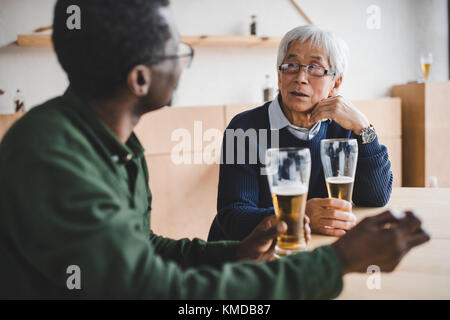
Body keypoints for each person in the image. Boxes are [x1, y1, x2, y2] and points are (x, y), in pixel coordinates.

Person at [0, 0, 428, 299]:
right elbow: (153, 290)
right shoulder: (52, 156)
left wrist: (232, 252)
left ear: (335, 83)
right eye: (175, 51)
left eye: (315, 69)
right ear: (140, 79)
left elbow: (143, 248)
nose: (185, 61)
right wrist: (336, 263)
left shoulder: (117, 146)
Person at [208, 25, 393, 241]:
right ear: (279, 76)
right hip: (248, 258)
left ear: (336, 83)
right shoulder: (243, 129)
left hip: (310, 250)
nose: (301, 78)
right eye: (291, 65)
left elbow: (376, 197)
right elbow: (232, 218)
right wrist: (299, 215)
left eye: (315, 68)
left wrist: (364, 128)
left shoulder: (344, 128)